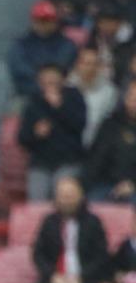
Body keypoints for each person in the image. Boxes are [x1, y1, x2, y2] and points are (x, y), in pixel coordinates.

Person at [19, 63, 88, 200]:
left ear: (62, 79)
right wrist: (35, 133)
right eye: (45, 80)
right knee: (37, 198)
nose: (49, 83)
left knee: (63, 193)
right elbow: (22, 138)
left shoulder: (74, 97)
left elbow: (79, 125)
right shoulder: (33, 102)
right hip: (41, 164)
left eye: (53, 79)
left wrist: (59, 107)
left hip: (68, 160)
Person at [32, 174, 109, 283]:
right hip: (54, 280)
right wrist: (53, 276)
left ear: (81, 196)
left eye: (71, 196)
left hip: (87, 280)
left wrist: (82, 278)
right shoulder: (49, 222)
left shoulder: (93, 222)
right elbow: (38, 254)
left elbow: (101, 256)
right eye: (63, 196)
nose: (67, 201)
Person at [8, 0, 79, 101]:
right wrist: (41, 84)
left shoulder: (67, 44)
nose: (43, 24)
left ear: (55, 21)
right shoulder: (20, 45)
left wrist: (49, 82)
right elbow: (19, 69)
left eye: (48, 20)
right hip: (27, 95)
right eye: (39, 20)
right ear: (33, 21)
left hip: (61, 96)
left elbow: (62, 66)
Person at [87, 79, 136, 200]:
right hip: (105, 183)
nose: (133, 102)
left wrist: (132, 183)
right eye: (131, 97)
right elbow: (95, 158)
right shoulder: (110, 124)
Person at [71, 46, 117, 145]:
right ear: (77, 64)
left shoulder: (109, 91)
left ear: (99, 66)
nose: (89, 68)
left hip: (97, 143)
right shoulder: (66, 87)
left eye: (94, 64)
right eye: (85, 63)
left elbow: (110, 123)